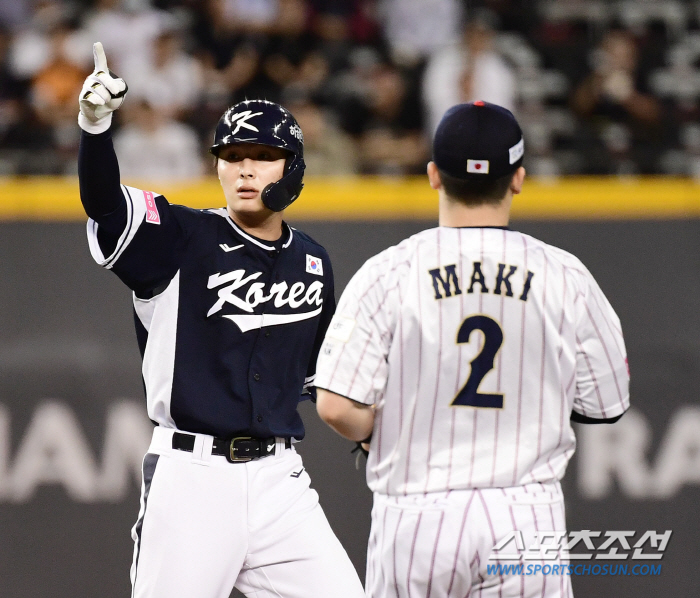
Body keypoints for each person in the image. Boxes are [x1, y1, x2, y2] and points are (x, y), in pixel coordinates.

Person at [77, 42, 364, 598]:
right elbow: (105, 205)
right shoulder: (180, 235)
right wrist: (94, 126)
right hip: (193, 478)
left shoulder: (312, 258)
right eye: (232, 156)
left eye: (261, 155)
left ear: (293, 167)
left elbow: (322, 379)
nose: (244, 169)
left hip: (281, 481)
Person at [314, 101, 630, 597]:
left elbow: (335, 406)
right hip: (526, 517)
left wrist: (390, 426)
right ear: (519, 178)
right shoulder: (565, 275)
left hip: (417, 517)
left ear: (434, 175)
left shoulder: (389, 271)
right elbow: (606, 404)